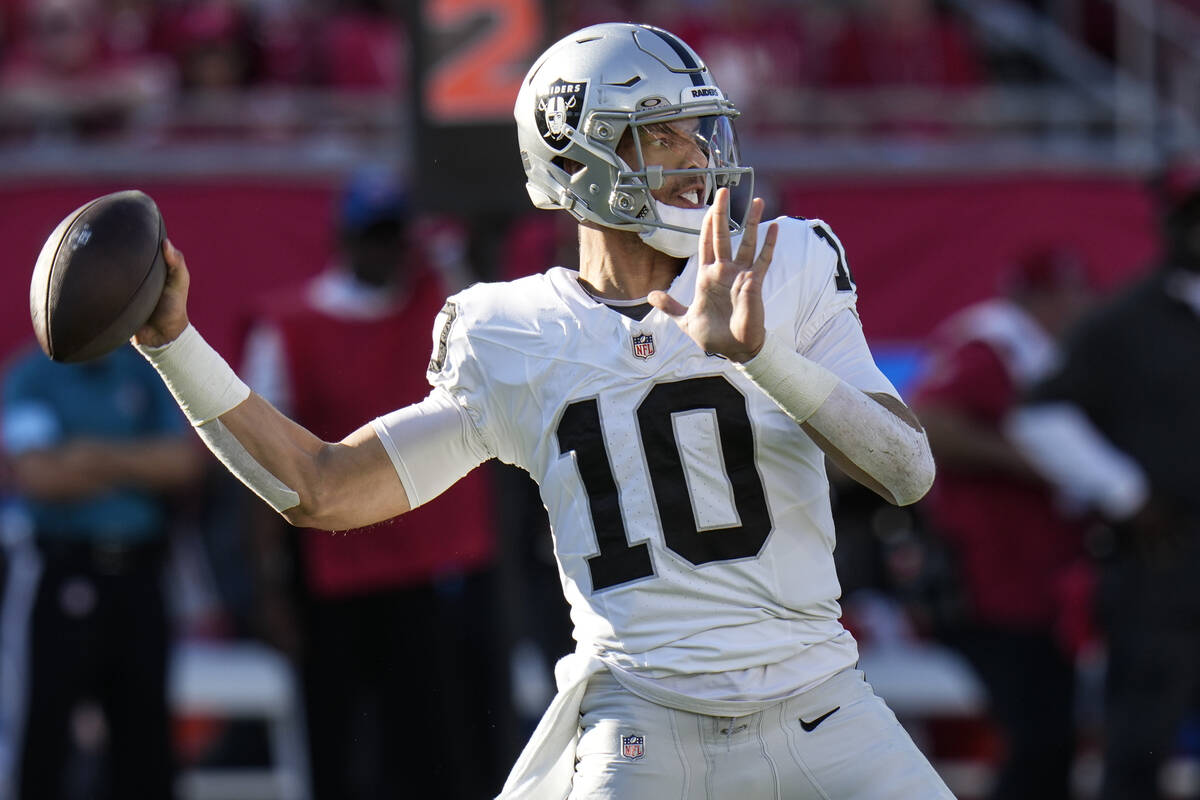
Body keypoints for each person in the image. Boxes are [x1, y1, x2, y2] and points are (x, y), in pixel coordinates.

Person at [130, 22, 952, 798]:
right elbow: (324, 487)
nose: (697, 158)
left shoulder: (786, 260)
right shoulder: (510, 331)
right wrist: (176, 346)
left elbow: (906, 472)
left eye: (699, 131)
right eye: (662, 133)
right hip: (642, 727)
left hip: (821, 702)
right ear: (581, 156)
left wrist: (761, 358)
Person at [238, 168, 502, 799]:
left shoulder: (446, 309)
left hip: (436, 575)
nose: (386, 251)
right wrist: (271, 585)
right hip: (337, 579)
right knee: (340, 757)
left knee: (441, 755)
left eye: (394, 236)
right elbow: (258, 469)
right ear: (344, 239)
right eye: (374, 236)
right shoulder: (289, 326)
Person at [1008, 174, 1200, 800]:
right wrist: (1124, 491)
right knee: (1140, 745)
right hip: (1161, 568)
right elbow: (1040, 416)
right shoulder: (1124, 322)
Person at [911, 248, 1095, 800]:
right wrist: (1033, 464)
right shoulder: (994, 343)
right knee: (1036, 739)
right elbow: (932, 422)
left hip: (1040, 580)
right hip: (994, 578)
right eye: (1071, 294)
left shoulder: (1035, 349)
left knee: (1053, 738)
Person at [0, 345, 203, 800]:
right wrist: (136, 463)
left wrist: (91, 454)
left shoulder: (143, 374)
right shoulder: (31, 379)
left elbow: (184, 463)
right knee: (45, 727)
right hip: (61, 567)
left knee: (144, 734)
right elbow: (40, 478)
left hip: (139, 571)